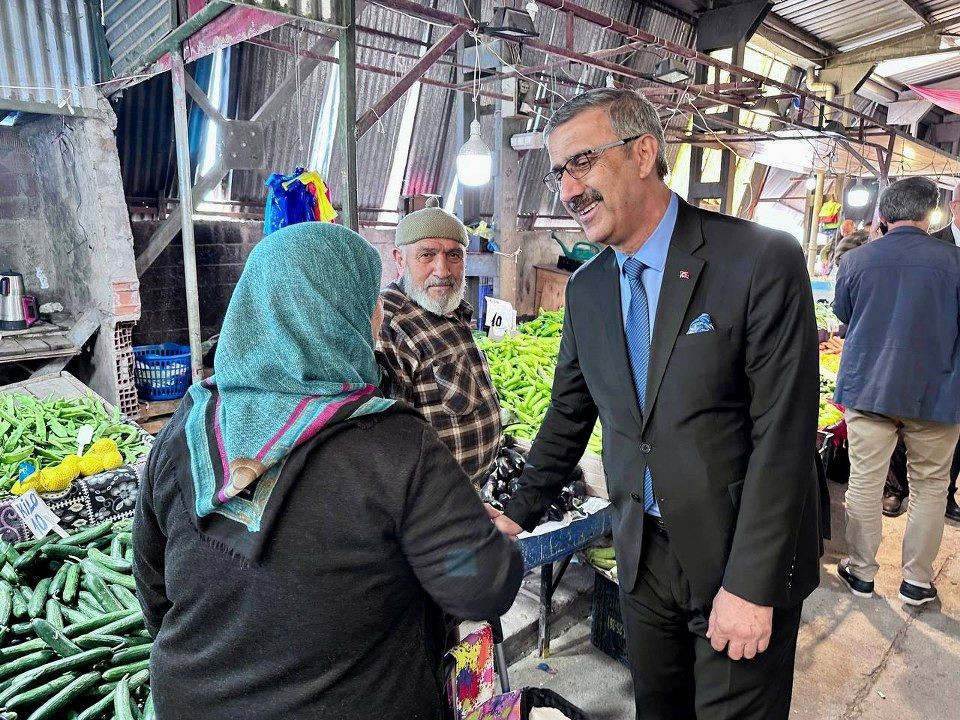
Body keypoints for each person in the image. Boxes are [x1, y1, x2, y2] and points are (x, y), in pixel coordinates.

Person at [487, 88, 821, 719]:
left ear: (643, 153)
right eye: (559, 171)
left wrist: (750, 587)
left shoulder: (756, 260)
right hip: (643, 555)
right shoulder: (588, 290)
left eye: (582, 162)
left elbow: (784, 435)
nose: (569, 189)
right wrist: (517, 513)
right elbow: (568, 415)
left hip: (735, 554)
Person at [132, 222, 523, 720]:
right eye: (370, 302)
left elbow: (154, 588)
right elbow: (478, 584)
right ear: (343, 315)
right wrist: (485, 544)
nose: (379, 317)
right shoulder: (393, 444)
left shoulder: (188, 424)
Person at [833, 176, 960, 608]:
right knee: (930, 488)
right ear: (932, 214)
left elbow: (846, 315)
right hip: (938, 392)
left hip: (870, 388)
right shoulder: (956, 261)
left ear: (883, 215)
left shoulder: (856, 262)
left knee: (865, 484)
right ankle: (917, 583)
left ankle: (862, 572)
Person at [378, 199, 501, 486]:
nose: (442, 270)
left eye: (454, 256)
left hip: (470, 497)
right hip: (435, 511)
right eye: (427, 255)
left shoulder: (449, 308)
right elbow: (392, 447)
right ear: (399, 259)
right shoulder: (390, 325)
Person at [931, 182, 960, 522]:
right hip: (928, 352)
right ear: (954, 205)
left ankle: (947, 493)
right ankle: (895, 491)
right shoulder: (932, 243)